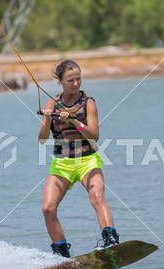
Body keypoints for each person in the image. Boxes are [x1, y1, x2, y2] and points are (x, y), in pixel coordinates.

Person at [38, 60, 119, 258]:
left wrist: (74, 121)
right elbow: (41, 140)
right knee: (48, 208)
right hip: (62, 164)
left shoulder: (88, 102)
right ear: (60, 81)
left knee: (97, 198)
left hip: (88, 161)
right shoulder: (51, 103)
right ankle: (62, 252)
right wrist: (48, 119)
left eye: (78, 79)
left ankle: (110, 240)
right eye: (70, 80)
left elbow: (94, 136)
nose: (76, 84)